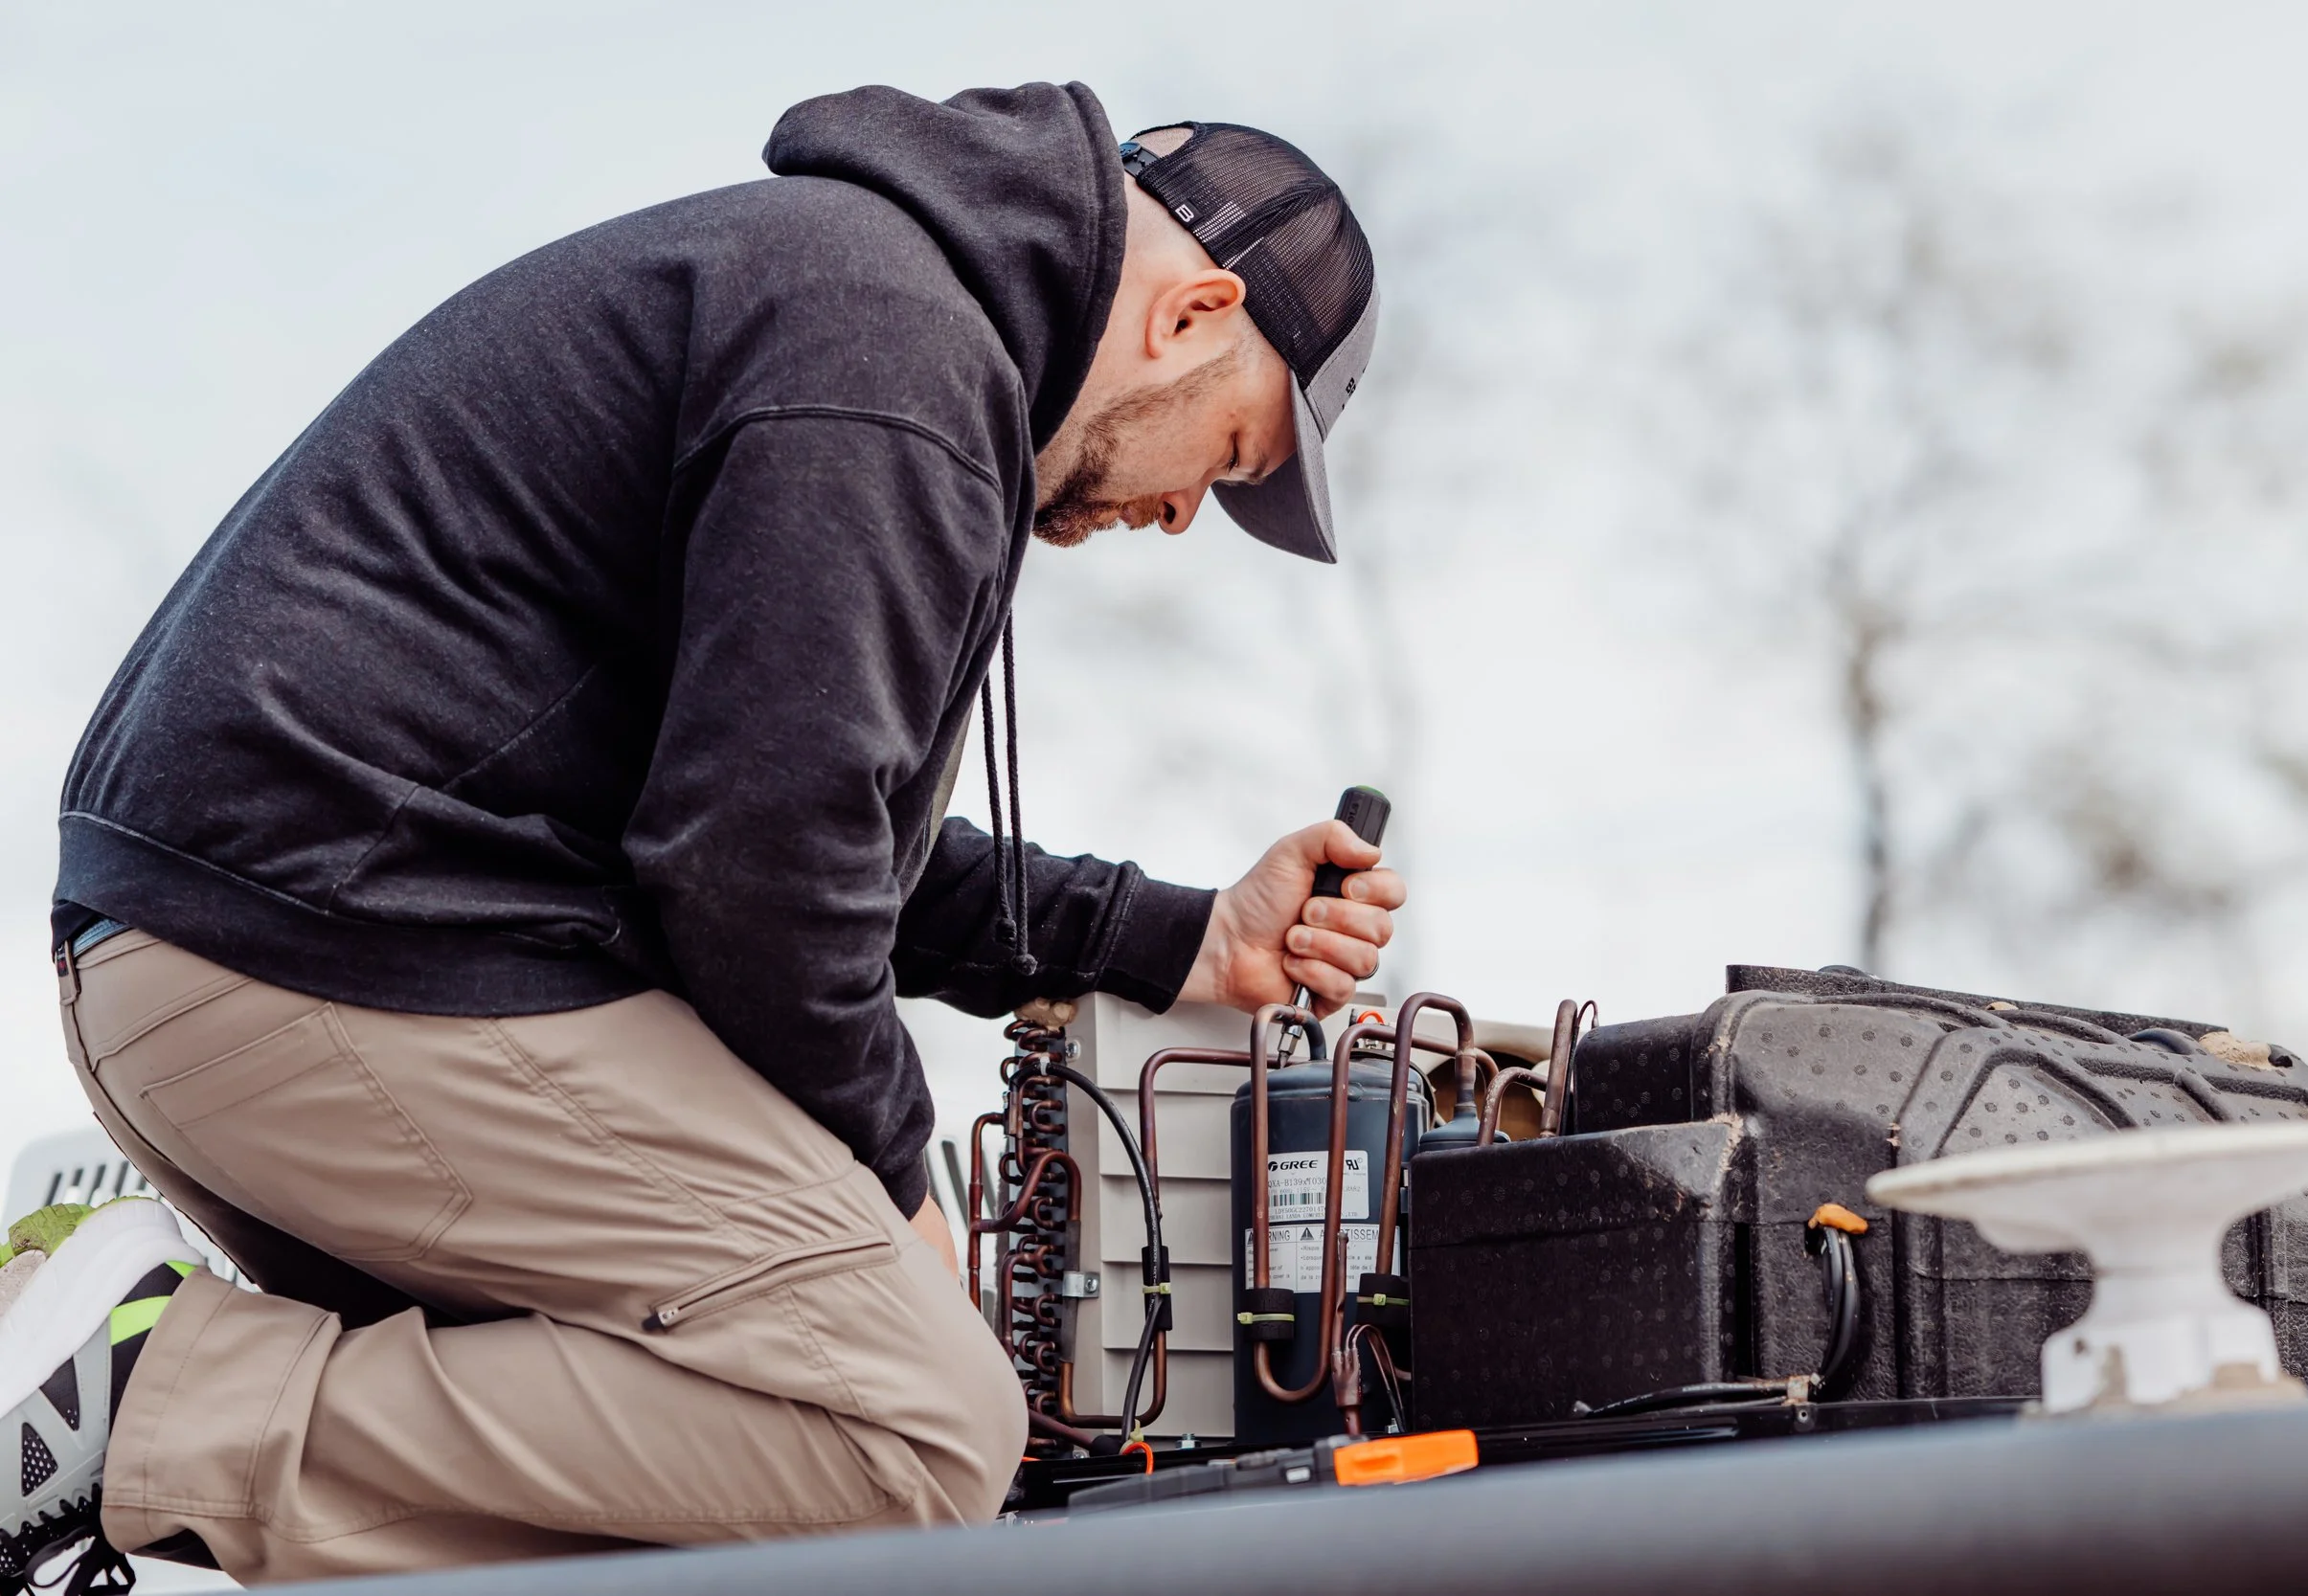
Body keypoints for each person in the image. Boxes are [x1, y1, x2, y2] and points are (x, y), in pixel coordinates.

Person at [0, 81, 1399, 1589]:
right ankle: (149, 1386)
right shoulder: (892, 352)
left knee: (666, 1465)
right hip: (333, 947)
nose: (1191, 509)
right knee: (918, 1419)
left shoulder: (861, 309)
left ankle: (151, 1397)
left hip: (245, 954)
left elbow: (803, 816)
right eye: (1237, 452)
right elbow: (760, 862)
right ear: (1193, 314)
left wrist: (1183, 934)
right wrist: (896, 1183)